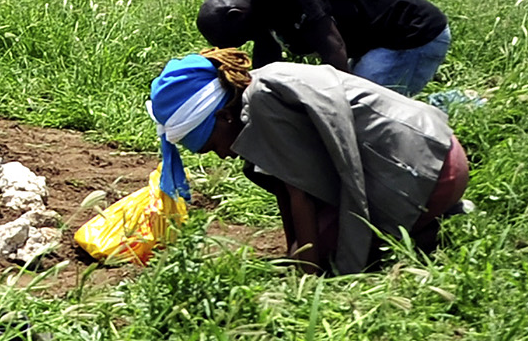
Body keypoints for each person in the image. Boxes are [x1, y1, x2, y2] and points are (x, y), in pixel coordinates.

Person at [147, 48, 470, 275]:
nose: (220, 154)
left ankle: (433, 228)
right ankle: (430, 222)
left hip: (429, 166)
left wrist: (308, 278)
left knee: (333, 255)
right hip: (433, 151)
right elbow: (283, 186)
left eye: (212, 144)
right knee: (321, 241)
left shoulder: (264, 103)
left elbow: (300, 194)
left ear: (223, 116)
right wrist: (295, 253)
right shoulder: (253, 94)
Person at [198, 0, 451, 95]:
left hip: (409, 37)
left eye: (242, 37)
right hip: (376, 43)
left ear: (236, 15)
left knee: (360, 111)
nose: (250, 40)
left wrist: (337, 104)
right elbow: (267, 59)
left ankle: (454, 117)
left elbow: (333, 47)